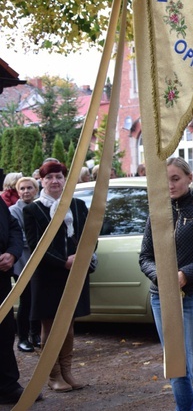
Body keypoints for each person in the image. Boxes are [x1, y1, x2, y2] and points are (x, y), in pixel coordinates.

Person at [139, 158, 193, 411]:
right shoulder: (158, 210)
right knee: (175, 365)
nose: (170, 185)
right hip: (161, 297)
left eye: (175, 179)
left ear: (189, 178)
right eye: (165, 180)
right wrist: (161, 277)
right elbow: (145, 257)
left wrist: (185, 274)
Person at [23, 160, 91, 393]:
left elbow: (89, 237)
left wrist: (81, 258)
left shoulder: (78, 205)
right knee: (51, 327)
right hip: (48, 275)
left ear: (65, 180)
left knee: (69, 327)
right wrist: (64, 261)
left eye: (59, 177)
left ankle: (67, 372)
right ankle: (52, 376)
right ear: (41, 181)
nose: (54, 181)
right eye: (49, 177)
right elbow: (36, 246)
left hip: (73, 273)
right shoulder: (32, 210)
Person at [0, 190, 26, 404]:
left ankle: (8, 386)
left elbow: (14, 228)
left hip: (0, 281)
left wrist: (12, 252)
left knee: (5, 332)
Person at [10, 177, 41, 352]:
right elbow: (19, 236)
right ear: (18, 191)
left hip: (39, 259)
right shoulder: (13, 211)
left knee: (38, 298)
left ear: (36, 190)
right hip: (22, 260)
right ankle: (22, 338)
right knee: (27, 299)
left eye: (29, 187)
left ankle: (35, 334)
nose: (26, 191)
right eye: (22, 188)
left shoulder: (39, 207)